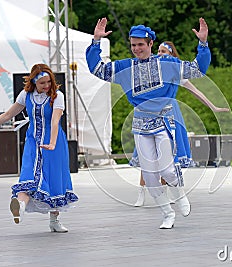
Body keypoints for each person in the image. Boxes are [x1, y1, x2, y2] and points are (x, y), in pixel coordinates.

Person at [86, 17, 211, 229]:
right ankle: (167, 214)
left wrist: (203, 44)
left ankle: (179, 195)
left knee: (168, 170)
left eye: (140, 45)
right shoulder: (125, 67)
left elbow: (197, 70)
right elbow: (98, 69)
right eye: (133, 45)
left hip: (163, 120)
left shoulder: (168, 64)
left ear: (151, 44)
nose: (136, 49)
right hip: (140, 124)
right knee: (150, 176)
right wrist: (96, 41)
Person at [0, 63, 79, 232]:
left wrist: (53, 143)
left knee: (55, 178)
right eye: (42, 83)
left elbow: (55, 121)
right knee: (28, 176)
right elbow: (7, 115)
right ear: (34, 82)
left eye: (49, 82)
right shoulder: (26, 95)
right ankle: (20, 206)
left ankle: (54, 220)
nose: (47, 85)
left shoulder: (58, 96)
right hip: (33, 141)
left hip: (53, 142)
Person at [132, 41, 229, 207]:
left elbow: (196, 91)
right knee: (147, 157)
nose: (160, 53)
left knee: (167, 156)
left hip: (170, 113)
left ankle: (167, 193)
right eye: (159, 50)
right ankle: (141, 192)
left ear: (171, 55)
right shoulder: (151, 67)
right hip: (149, 113)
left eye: (164, 51)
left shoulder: (175, 71)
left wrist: (213, 107)